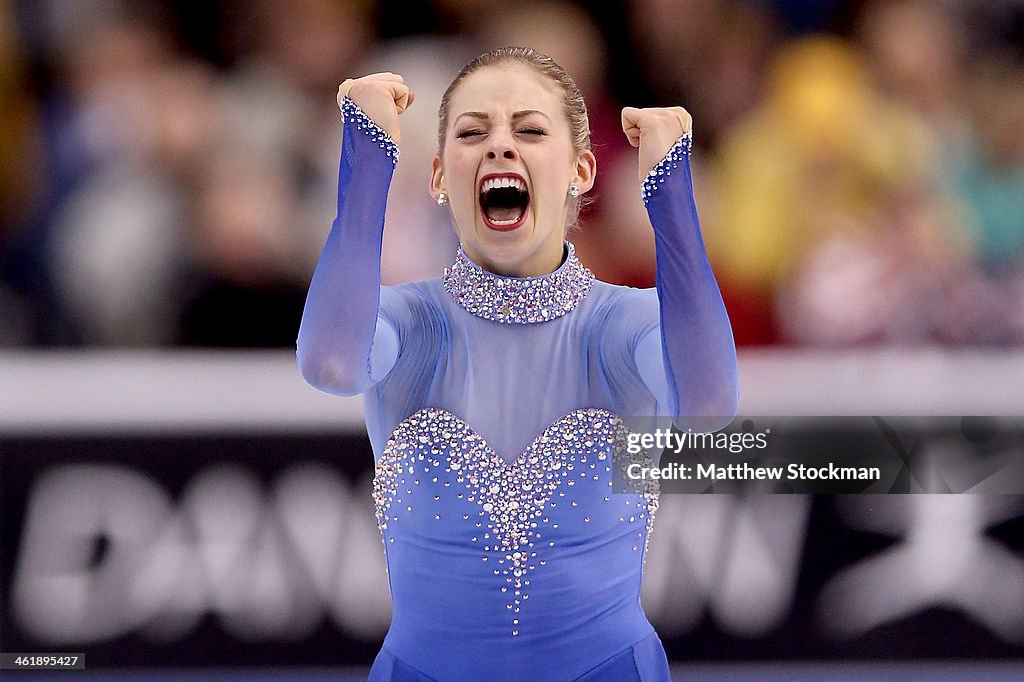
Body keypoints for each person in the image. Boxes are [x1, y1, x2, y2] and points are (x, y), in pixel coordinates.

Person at [297, 46, 737, 682]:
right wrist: (367, 155)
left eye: (529, 130)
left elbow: (709, 400)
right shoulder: (406, 325)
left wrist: (669, 187)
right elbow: (332, 365)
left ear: (581, 171)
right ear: (440, 176)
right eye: (472, 133)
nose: (500, 146)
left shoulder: (621, 327)